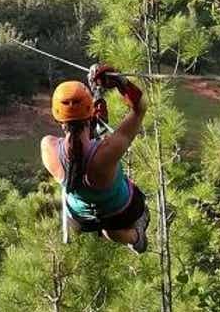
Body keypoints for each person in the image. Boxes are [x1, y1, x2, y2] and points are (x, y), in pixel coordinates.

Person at [40, 64, 150, 253]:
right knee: (111, 230)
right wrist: (121, 83)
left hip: (83, 219)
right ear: (90, 113)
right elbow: (140, 108)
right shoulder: (107, 151)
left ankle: (74, 224)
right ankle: (136, 238)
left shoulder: (47, 146)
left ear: (57, 119)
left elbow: (76, 152)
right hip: (122, 211)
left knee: (104, 226)